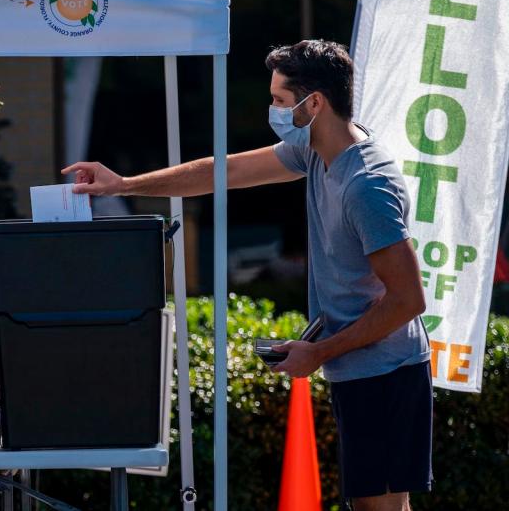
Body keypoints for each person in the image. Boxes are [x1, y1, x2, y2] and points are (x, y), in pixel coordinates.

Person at [63, 40, 431, 511]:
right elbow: (222, 172)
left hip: (387, 371)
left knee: (378, 509)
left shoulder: (367, 187)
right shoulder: (317, 149)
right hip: (363, 366)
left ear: (314, 103)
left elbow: (407, 301)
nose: (272, 110)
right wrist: (125, 185)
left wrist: (318, 352)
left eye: (280, 100)